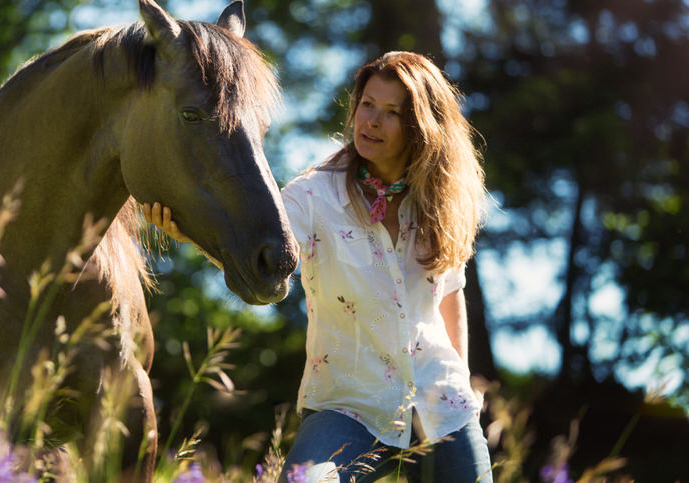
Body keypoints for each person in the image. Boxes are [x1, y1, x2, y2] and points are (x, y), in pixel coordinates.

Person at [143, 51, 493, 482]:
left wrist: (462, 381)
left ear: (420, 127)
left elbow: (450, 292)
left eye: (390, 113)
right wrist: (189, 230)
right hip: (347, 403)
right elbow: (261, 249)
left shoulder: (438, 203)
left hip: (441, 404)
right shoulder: (314, 196)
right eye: (367, 105)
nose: (371, 122)